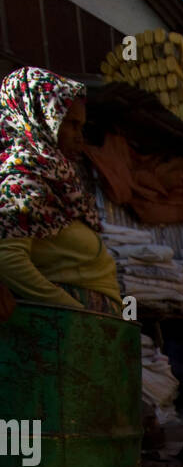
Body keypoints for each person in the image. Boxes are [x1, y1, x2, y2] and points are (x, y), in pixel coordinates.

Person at [0, 67, 122, 315]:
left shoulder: (56, 183)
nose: (80, 138)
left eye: (82, 127)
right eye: (71, 124)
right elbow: (7, 258)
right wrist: (74, 314)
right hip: (64, 331)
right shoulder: (21, 180)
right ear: (41, 119)